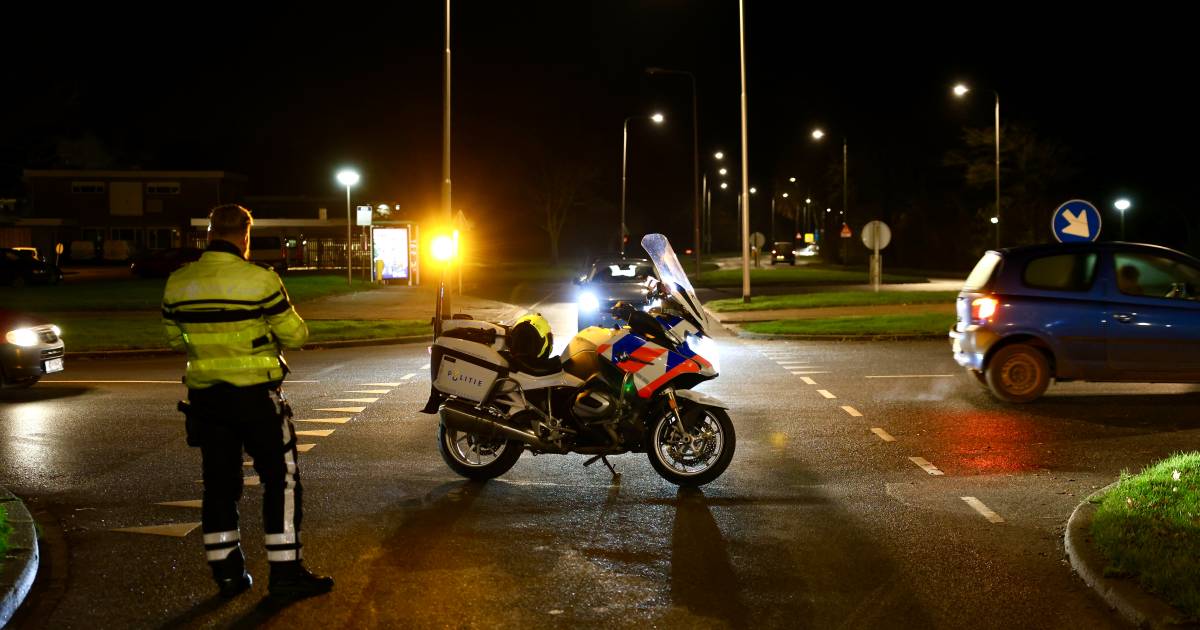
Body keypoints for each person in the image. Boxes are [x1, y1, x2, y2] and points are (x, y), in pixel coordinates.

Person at [163, 204, 333, 599]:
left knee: (219, 487)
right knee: (281, 480)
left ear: (208, 234)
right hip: (257, 399)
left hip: (206, 401)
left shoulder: (178, 283)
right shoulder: (259, 281)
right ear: (246, 235)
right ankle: (285, 574)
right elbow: (295, 335)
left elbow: (175, 339)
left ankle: (227, 575)